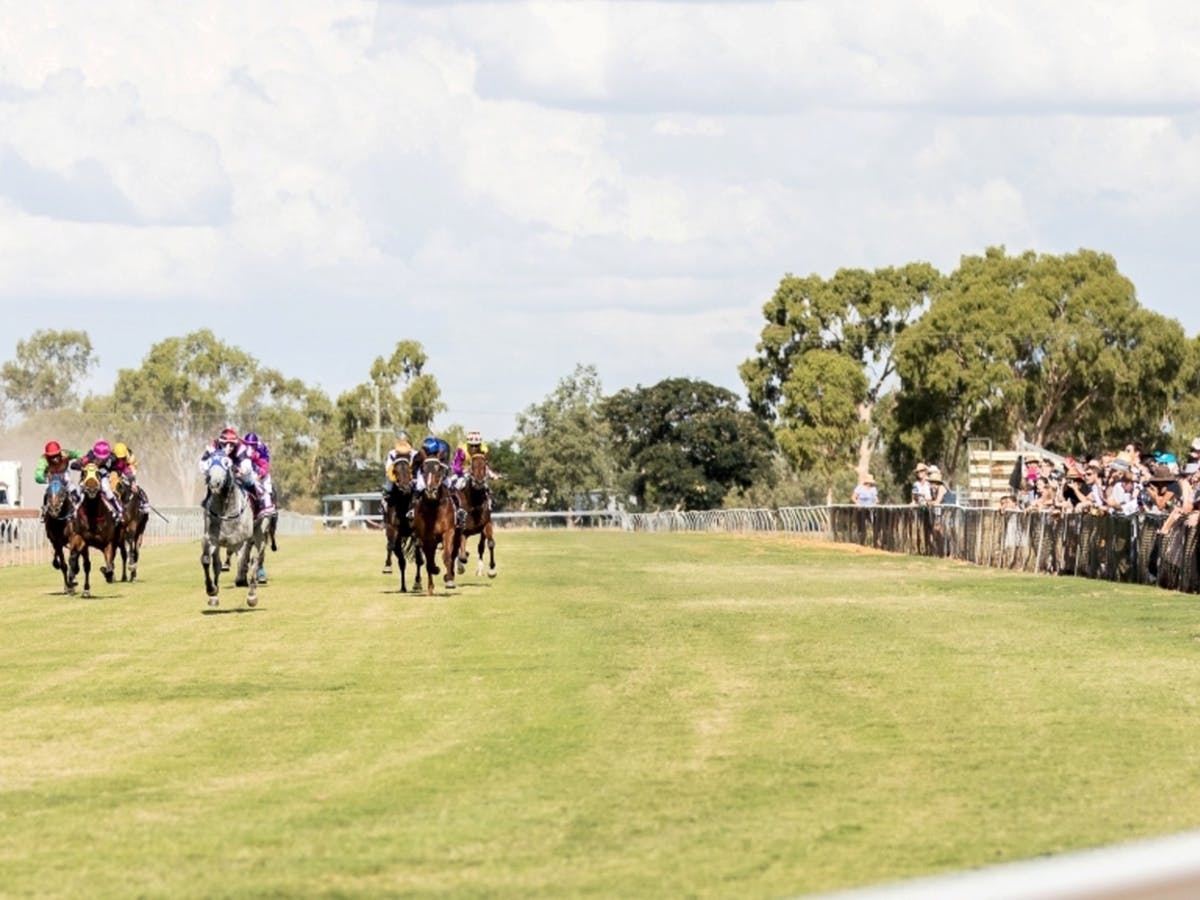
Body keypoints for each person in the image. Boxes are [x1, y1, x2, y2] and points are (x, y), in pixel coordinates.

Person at [413, 434, 465, 526]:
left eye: (427, 451)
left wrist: (441, 476)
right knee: (419, 486)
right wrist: (416, 477)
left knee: (450, 486)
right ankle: (412, 510)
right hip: (423, 473)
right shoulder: (420, 454)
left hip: (439, 473)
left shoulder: (443, 451)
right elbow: (415, 466)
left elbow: (445, 468)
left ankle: (458, 511)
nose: (427, 453)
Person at [73, 439, 123, 518]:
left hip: (103, 477)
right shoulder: (90, 456)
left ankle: (118, 509)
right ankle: (74, 508)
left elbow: (121, 465)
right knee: (80, 487)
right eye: (99, 457)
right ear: (95, 454)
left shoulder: (112, 457)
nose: (101, 460)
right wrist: (78, 465)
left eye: (104, 458)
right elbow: (79, 463)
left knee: (106, 488)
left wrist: (120, 471)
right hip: (89, 477)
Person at [453, 430, 500, 508]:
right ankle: (456, 506)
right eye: (471, 445)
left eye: (476, 445)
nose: (474, 448)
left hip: (477, 472)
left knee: (485, 485)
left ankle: (490, 503)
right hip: (463, 472)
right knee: (455, 485)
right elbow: (455, 467)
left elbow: (486, 464)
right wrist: (463, 470)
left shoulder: (484, 449)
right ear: (468, 444)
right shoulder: (462, 450)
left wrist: (491, 473)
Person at [34, 441, 82, 511]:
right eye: (51, 457)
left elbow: (77, 453)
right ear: (47, 455)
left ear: (60, 452)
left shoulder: (65, 454)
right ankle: (45, 509)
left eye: (56, 455)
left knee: (70, 486)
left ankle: (76, 505)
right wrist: (42, 479)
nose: (55, 459)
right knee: (48, 490)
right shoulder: (43, 459)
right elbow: (38, 474)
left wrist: (79, 459)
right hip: (50, 476)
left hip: (63, 474)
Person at [242, 431, 276, 517]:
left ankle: (267, 504)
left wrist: (260, 476)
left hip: (258, 470)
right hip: (245, 470)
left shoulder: (261, 450)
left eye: (252, 445)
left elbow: (265, 467)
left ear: (256, 445)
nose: (250, 448)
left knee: (265, 481)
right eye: (247, 445)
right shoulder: (240, 448)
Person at [382, 435, 416, 507]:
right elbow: (388, 466)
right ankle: (385, 502)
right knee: (388, 485)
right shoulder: (392, 453)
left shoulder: (414, 453)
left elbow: (416, 466)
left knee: (420, 487)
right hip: (397, 475)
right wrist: (391, 475)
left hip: (411, 476)